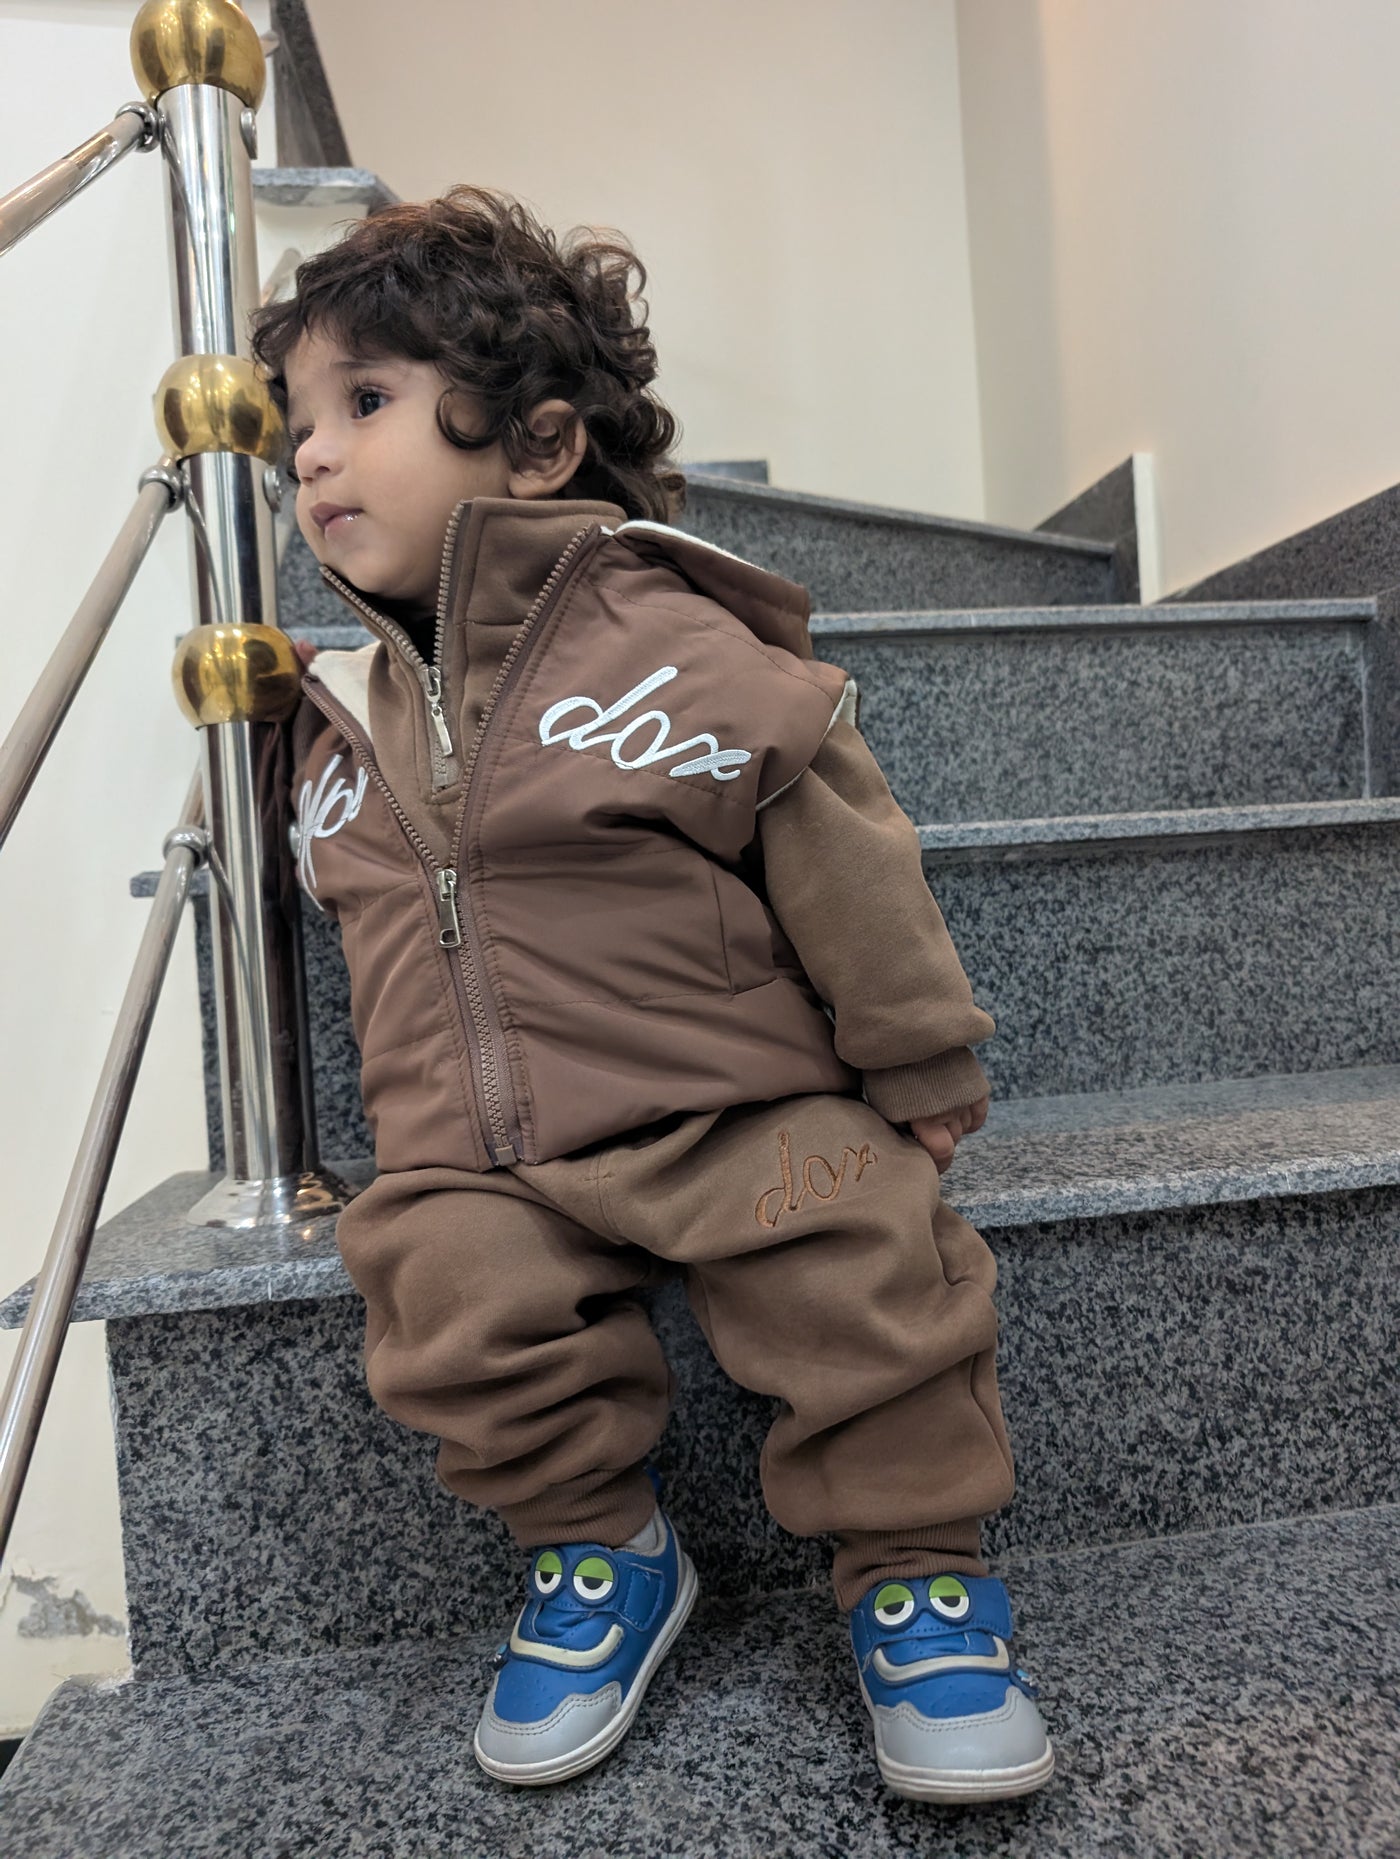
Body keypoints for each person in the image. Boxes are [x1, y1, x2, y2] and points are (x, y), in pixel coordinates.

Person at [252, 185, 1053, 1804]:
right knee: (438, 1290)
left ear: (541, 445)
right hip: (479, 1154)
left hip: (735, 1108)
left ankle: (917, 1571)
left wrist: (914, 1052)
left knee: (865, 1261)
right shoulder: (334, 711)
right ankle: (601, 1546)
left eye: (365, 402)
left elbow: (838, 846)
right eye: (292, 427)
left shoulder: (674, 638)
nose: (311, 458)